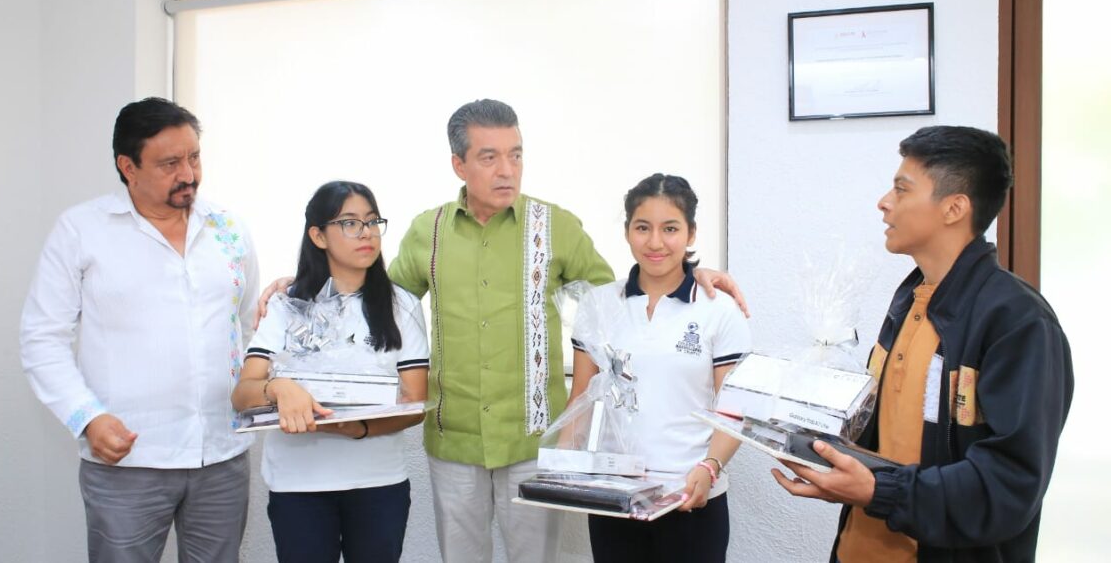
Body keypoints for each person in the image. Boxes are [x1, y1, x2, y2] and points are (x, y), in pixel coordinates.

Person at [259, 99, 748, 562]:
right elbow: (374, 296)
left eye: (515, 154)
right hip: (455, 441)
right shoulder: (427, 232)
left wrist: (694, 274)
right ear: (458, 165)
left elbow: (624, 297)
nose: (507, 169)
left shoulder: (557, 226)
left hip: (532, 444)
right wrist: (301, 280)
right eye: (489, 157)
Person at [772, 126, 1074, 562]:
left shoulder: (1018, 321)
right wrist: (821, 451)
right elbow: (889, 438)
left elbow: (1009, 485)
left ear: (954, 207)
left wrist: (878, 490)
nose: (884, 202)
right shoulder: (911, 299)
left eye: (901, 188)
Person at [19, 97, 257, 562]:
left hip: (221, 455)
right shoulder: (82, 230)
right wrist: (86, 416)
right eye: (170, 163)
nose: (188, 174)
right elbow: (41, 338)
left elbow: (247, 327)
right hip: (129, 459)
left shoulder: (229, 229)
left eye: (194, 157)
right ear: (127, 166)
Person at [232, 181, 429, 563]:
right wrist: (279, 388)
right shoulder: (286, 305)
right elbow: (242, 394)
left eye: (373, 222)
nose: (367, 233)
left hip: (378, 483)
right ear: (318, 235)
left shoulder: (401, 304)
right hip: (298, 484)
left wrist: (361, 427)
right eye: (350, 223)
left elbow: (415, 404)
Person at [567, 173, 751, 562]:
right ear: (627, 232)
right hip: (614, 495)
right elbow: (580, 399)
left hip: (690, 496)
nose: (655, 242)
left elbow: (734, 408)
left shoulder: (718, 308)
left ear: (691, 233)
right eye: (643, 228)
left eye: (670, 229)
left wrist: (710, 467)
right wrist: (562, 467)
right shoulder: (600, 305)